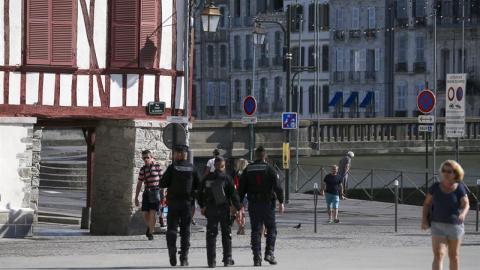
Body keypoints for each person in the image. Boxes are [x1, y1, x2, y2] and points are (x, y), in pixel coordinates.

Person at [239, 146, 285, 267]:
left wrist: (239, 204)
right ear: (265, 157)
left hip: (253, 203)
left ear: (255, 156)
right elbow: (277, 186)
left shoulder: (248, 169)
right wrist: (281, 201)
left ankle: (256, 257)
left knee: (255, 229)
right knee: (271, 227)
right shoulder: (269, 169)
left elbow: (241, 188)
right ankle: (269, 252)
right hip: (267, 204)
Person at [421, 160, 470, 270]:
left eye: (449, 171)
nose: (446, 173)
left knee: (454, 256)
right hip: (437, 225)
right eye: (444, 171)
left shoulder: (459, 189)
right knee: (438, 254)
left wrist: (462, 214)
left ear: (455, 173)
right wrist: (424, 220)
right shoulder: (435, 187)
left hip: (455, 226)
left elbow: (466, 204)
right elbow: (427, 203)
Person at [159, 145, 201, 267]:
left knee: (172, 228)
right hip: (187, 203)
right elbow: (199, 186)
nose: (174, 156)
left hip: (173, 203)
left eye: (175, 153)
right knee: (185, 230)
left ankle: (172, 247)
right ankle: (184, 257)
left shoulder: (173, 168)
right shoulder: (193, 168)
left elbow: (162, 183)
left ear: (180, 155)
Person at [198, 156, 241, 268]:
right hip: (224, 208)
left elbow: (199, 193)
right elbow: (234, 195)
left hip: (211, 208)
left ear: (214, 166)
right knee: (226, 234)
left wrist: (202, 206)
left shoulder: (207, 178)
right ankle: (227, 259)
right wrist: (238, 208)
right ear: (223, 166)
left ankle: (211, 261)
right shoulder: (227, 178)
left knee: (211, 235)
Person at [134, 150, 164, 240]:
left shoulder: (158, 167)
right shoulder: (143, 170)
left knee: (152, 213)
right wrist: (136, 197)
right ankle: (151, 227)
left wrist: (163, 193)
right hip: (147, 192)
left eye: (147, 157)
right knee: (144, 213)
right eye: (144, 158)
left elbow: (163, 181)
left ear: (151, 157)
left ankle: (150, 233)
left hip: (156, 192)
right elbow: (139, 183)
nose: (146, 159)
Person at [234, 158, 249, 235]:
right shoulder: (247, 173)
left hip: (238, 193)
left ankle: (240, 224)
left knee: (238, 210)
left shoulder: (237, 173)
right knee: (243, 211)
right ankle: (243, 230)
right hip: (246, 194)